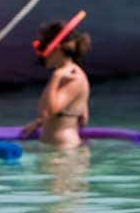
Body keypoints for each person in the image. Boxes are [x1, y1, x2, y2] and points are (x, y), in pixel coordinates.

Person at [20, 20, 91, 148]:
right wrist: (39, 123)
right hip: (57, 147)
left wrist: (56, 78)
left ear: (56, 49)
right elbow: (83, 117)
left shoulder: (72, 77)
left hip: (64, 149)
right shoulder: (68, 73)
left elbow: (48, 111)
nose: (39, 54)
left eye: (41, 47)